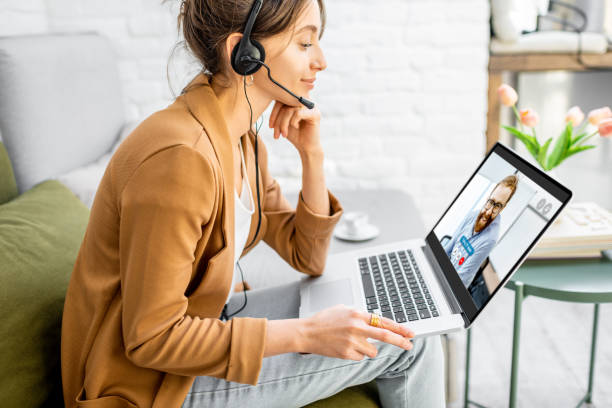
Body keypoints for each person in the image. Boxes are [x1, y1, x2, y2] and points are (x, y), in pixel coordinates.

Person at [60, 1, 445, 407]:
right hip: (146, 387)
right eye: (304, 43)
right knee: (407, 342)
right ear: (243, 53)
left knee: (391, 317)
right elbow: (152, 338)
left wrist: (311, 156)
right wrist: (306, 334)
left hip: (204, 327)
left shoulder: (242, 141)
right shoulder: (181, 158)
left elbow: (306, 255)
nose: (321, 61)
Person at [442, 174, 519, 289]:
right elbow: (451, 245)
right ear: (488, 197)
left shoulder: (490, 239)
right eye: (491, 202)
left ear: (503, 208)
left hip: (455, 286)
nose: (489, 212)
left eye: (497, 206)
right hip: (446, 270)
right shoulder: (472, 215)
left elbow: (462, 277)